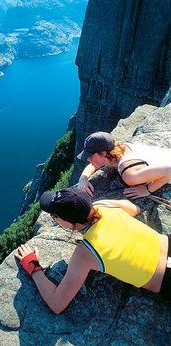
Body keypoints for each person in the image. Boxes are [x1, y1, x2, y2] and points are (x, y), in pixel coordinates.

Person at [15, 187, 170, 314]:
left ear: (68, 223)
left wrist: (33, 267)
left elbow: (57, 303)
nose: (53, 219)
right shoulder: (103, 207)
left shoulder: (85, 253)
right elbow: (134, 208)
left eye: (54, 216)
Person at [76, 132, 171, 198]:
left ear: (103, 153)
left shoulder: (129, 175)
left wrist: (147, 189)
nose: (88, 159)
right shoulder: (122, 147)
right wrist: (83, 179)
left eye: (91, 156)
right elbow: (94, 164)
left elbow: (169, 170)